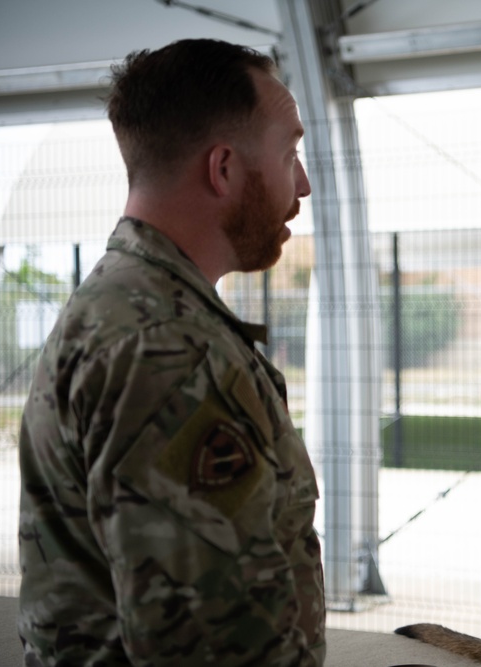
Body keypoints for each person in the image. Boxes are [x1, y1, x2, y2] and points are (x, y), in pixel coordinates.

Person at [17, 39, 325, 666]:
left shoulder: (128, 303)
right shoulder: (168, 350)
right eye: (289, 152)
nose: (304, 183)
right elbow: (211, 649)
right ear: (224, 169)